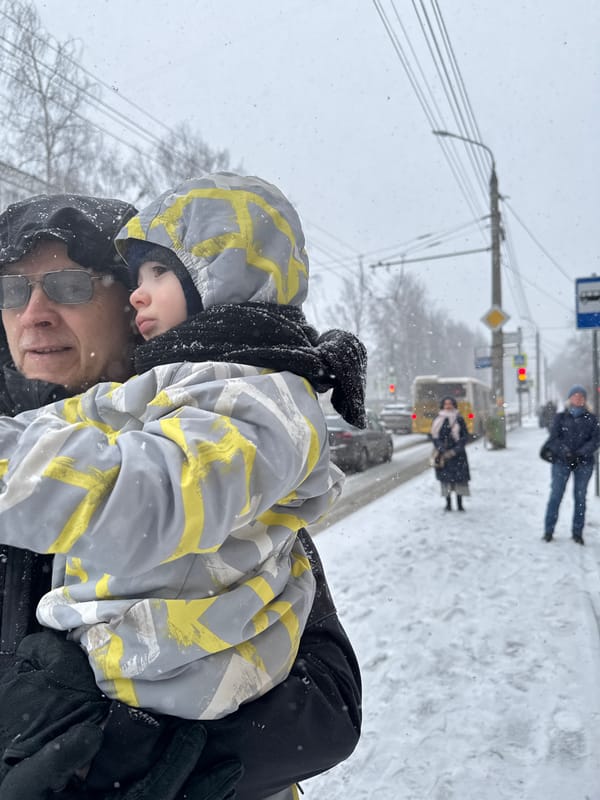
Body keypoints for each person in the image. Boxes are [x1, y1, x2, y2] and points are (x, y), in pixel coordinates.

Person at [0, 187, 363, 799]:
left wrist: (144, 751)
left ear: (127, 302)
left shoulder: (215, 427)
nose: (33, 313)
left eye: (67, 286)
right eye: (11, 291)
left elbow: (326, 709)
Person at [543, 384, 600, 545]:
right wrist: (566, 453)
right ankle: (548, 530)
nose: (578, 398)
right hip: (561, 462)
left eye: (581, 396)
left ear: (585, 399)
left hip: (584, 464)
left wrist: (579, 454)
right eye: (575, 395)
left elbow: (595, 441)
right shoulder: (560, 417)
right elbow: (554, 439)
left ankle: (577, 532)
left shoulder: (592, 418)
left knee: (580, 498)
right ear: (569, 398)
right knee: (556, 495)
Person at [431, 395, 471, 511]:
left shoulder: (459, 419)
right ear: (443, 405)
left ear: (454, 405)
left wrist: (455, 450)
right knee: (446, 481)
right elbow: (434, 437)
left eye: (450, 404)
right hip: (443, 456)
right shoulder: (438, 419)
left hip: (458, 456)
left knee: (459, 481)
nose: (448, 406)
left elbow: (464, 436)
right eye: (446, 404)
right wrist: (442, 449)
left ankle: (460, 504)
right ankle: (448, 504)